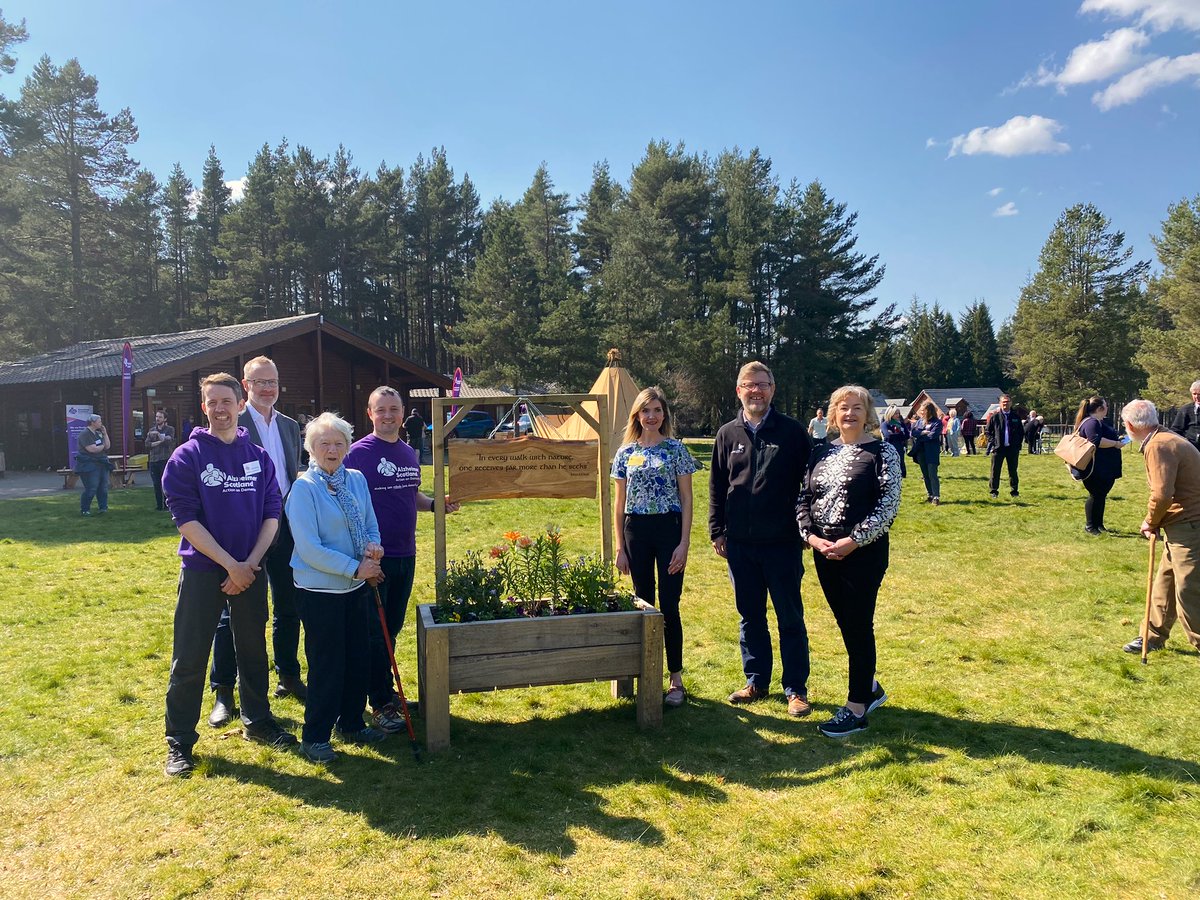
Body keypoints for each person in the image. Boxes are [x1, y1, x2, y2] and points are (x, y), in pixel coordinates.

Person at [161, 373, 296, 777]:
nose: (220, 409)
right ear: (204, 407)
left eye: (227, 401)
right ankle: (180, 741)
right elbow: (186, 520)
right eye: (212, 402)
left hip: (250, 571)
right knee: (190, 657)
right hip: (205, 572)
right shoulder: (187, 456)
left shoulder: (257, 455)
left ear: (241, 404)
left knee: (254, 650)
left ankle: (257, 721)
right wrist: (229, 564)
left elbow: (273, 511)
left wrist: (250, 564)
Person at [344, 387, 459, 733]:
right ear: (370, 413)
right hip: (374, 558)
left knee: (390, 629)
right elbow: (346, 504)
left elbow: (412, 495)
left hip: (405, 553)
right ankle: (378, 702)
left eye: (394, 409)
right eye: (382, 410)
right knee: (374, 632)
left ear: (403, 411)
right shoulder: (357, 454)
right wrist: (363, 552)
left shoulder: (408, 452)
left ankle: (384, 692)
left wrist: (437, 504)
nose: (389, 415)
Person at [709, 361, 814, 716]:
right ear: (738, 390)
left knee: (790, 617)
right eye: (749, 385)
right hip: (739, 544)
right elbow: (716, 487)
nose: (756, 391)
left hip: (783, 543)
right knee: (750, 616)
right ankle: (756, 680)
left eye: (763, 385)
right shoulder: (727, 434)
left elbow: (811, 481)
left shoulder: (793, 432)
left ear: (773, 389)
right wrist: (717, 530)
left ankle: (796, 689)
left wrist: (806, 526)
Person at [208, 356, 305, 731]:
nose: (267, 388)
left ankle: (289, 676)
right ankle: (223, 693)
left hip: (285, 527)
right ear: (245, 386)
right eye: (259, 382)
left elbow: (292, 474)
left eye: (272, 382)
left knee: (289, 604)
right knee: (231, 613)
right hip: (243, 533)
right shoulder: (232, 421)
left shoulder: (291, 426)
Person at [797, 385, 900, 737]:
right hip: (825, 551)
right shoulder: (820, 452)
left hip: (863, 552)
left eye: (857, 407)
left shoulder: (883, 452)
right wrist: (810, 536)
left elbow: (887, 505)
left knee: (858, 624)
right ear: (832, 414)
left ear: (868, 413)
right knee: (846, 623)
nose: (850, 413)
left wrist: (853, 541)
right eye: (843, 407)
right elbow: (803, 497)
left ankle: (857, 708)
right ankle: (870, 687)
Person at [286, 412, 386, 763]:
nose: (332, 449)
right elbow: (310, 548)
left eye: (338, 443)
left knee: (358, 659)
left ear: (347, 446)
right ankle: (314, 737)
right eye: (324, 443)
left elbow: (371, 523)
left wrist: (374, 549)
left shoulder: (356, 479)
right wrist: (356, 568)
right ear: (311, 448)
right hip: (320, 592)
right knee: (327, 665)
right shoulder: (304, 488)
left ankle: (353, 724)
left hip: (355, 586)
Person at [612, 386, 697, 708]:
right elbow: (619, 504)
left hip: (669, 530)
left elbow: (688, 499)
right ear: (637, 415)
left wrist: (684, 543)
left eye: (657, 411)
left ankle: (675, 678)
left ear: (665, 415)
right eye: (646, 411)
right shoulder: (624, 453)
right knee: (644, 604)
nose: (652, 417)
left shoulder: (675, 450)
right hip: (636, 531)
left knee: (670, 605)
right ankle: (646, 672)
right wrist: (620, 546)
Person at [1119, 399, 1200, 656]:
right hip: (1181, 523)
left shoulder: (1158, 445)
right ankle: (1151, 635)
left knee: (1188, 588)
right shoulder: (1164, 438)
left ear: (1130, 425)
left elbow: (1163, 494)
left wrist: (1151, 521)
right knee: (1166, 581)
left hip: (1190, 524)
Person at [1074, 396, 1126, 535]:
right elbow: (1095, 441)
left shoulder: (1097, 422)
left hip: (1103, 467)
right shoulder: (1092, 422)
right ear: (1100, 409)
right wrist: (1115, 443)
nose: (1107, 408)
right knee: (1096, 494)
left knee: (1101, 495)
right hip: (1095, 467)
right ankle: (1090, 526)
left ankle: (1098, 524)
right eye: (1106, 406)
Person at [987, 394, 1024, 499]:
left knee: (1013, 470)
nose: (1005, 404)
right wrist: (994, 442)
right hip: (999, 448)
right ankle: (994, 491)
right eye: (1003, 402)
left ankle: (1014, 491)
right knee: (995, 470)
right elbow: (988, 432)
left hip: (1012, 449)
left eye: (1007, 402)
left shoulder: (1015, 417)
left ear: (1011, 403)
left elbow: (1021, 432)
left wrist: (1017, 445)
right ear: (1000, 403)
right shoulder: (995, 417)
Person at [75, 414, 112, 516]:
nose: (101, 423)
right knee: (91, 488)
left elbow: (107, 446)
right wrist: (103, 446)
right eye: (99, 421)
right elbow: (92, 449)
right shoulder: (84, 434)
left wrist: (105, 434)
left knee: (103, 487)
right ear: (93, 422)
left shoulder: (98, 433)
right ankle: (85, 509)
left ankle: (103, 508)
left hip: (101, 463)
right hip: (89, 465)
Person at [910, 402, 943, 505]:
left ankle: (936, 496)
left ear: (929, 411)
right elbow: (913, 433)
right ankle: (930, 495)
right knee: (925, 474)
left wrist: (920, 436)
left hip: (932, 452)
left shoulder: (937, 423)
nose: (921, 412)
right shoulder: (919, 422)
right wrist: (922, 433)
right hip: (920, 451)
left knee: (932, 474)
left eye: (923, 410)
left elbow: (932, 436)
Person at [145, 410, 176, 511]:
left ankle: (167, 504)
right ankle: (159, 506)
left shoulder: (170, 429)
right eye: (157, 417)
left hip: (164, 459)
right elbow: (147, 444)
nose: (157, 419)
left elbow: (168, 441)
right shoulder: (151, 430)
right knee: (156, 483)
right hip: (154, 460)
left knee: (165, 482)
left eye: (160, 417)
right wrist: (159, 441)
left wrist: (158, 435)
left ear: (165, 419)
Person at [1169, 380, 1200, 450]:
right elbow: (1176, 430)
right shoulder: (1186, 409)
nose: (1197, 397)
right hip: (1191, 450)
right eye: (1194, 394)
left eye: (1199, 394)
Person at [882, 406, 909, 478]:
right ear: (890, 414)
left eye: (898, 413)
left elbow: (907, 436)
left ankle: (902, 475)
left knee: (900, 462)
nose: (898, 415)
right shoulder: (885, 424)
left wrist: (894, 433)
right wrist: (900, 434)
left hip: (899, 446)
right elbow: (887, 435)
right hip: (889, 447)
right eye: (895, 413)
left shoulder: (901, 423)